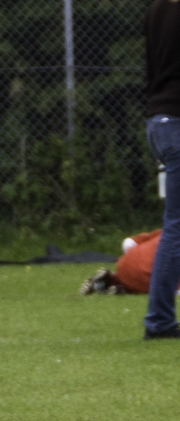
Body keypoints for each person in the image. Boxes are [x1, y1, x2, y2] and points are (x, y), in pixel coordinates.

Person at [142, 0, 180, 339]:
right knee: (177, 227)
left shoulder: (156, 8)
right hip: (176, 122)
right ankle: (159, 320)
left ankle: (160, 318)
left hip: (159, 121)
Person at [80, 230, 180, 296]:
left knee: (140, 273)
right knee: (159, 285)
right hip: (149, 279)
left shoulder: (169, 229)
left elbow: (127, 243)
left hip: (125, 264)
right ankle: (121, 288)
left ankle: (113, 280)